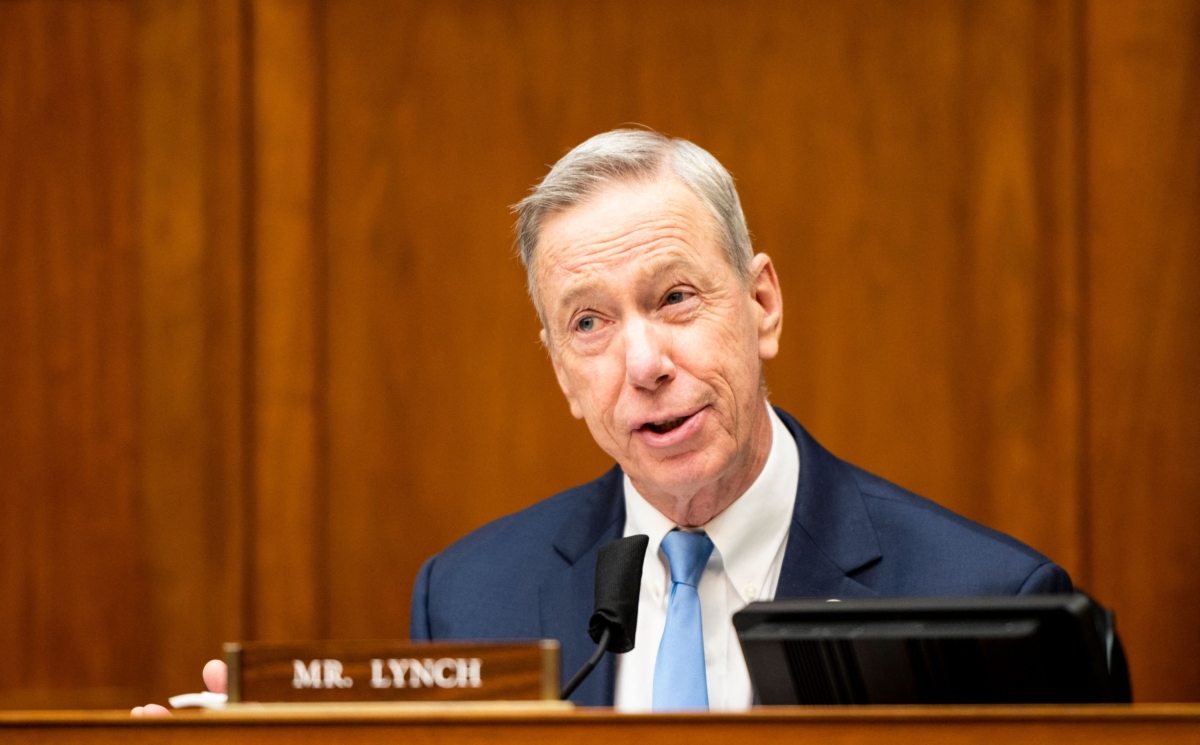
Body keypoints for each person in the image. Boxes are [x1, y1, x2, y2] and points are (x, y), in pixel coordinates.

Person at [134, 129, 1070, 717]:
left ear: (762, 304)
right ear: (559, 372)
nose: (645, 364)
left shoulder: (996, 603)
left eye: (674, 297)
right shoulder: (468, 600)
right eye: (589, 322)